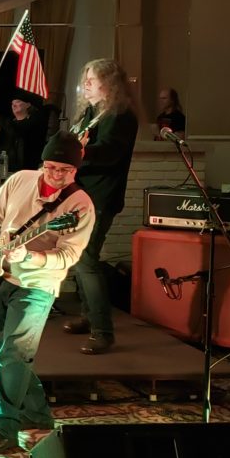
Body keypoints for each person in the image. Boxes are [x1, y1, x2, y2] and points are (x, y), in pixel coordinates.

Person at [0, 132, 94, 454]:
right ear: (42, 163)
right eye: (51, 167)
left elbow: (68, 256)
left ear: (76, 170)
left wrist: (29, 256)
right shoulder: (21, 180)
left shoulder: (79, 205)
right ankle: (37, 415)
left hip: (37, 286)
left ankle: (3, 429)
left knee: (13, 356)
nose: (56, 175)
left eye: (65, 170)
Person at [63, 59, 139, 355]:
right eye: (86, 78)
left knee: (87, 258)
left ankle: (102, 331)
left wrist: (79, 151)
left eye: (92, 79)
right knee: (79, 256)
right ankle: (87, 316)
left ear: (109, 83)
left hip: (101, 197)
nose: (86, 84)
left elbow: (109, 154)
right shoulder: (91, 113)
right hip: (82, 194)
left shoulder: (120, 116)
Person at [0, 97, 49, 173]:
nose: (14, 105)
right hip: (9, 169)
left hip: (29, 168)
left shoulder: (35, 121)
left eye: (17, 102)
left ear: (28, 104)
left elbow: (19, 131)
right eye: (12, 104)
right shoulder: (10, 123)